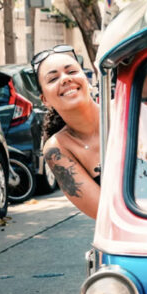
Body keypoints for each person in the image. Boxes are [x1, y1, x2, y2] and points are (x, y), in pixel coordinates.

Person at [34, 45, 101, 219]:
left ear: (87, 79)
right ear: (45, 100)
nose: (65, 79)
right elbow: (104, 213)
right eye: (53, 78)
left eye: (71, 72)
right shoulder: (57, 149)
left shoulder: (126, 111)